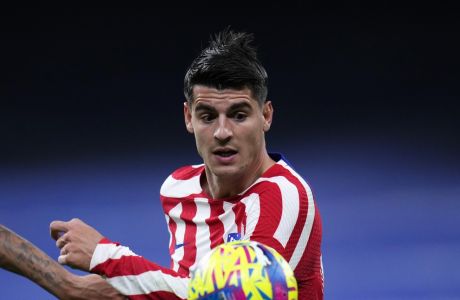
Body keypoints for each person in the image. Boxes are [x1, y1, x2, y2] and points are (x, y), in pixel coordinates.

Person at [1, 29, 324, 299]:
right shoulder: (178, 189)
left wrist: (104, 256)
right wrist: (72, 284)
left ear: (265, 116)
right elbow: (183, 287)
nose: (223, 132)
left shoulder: (284, 196)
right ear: (188, 118)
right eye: (207, 116)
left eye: (239, 115)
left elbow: (229, 293)